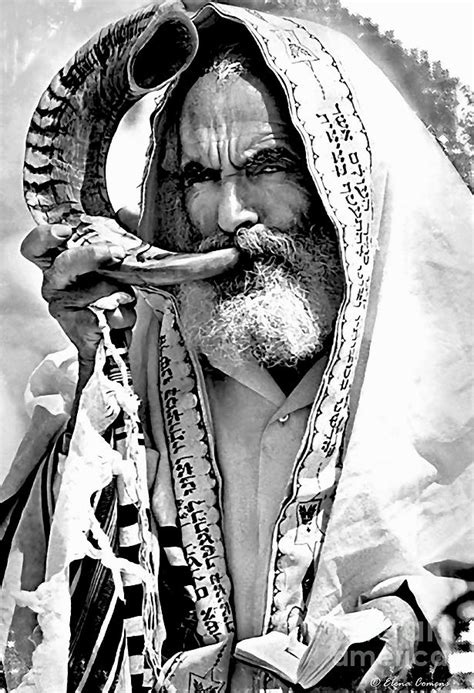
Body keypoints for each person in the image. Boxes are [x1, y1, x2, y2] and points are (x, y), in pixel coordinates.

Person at [1, 2, 472, 692]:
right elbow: (39, 614)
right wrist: (100, 382)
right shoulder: (132, 370)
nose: (230, 215)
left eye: (267, 165)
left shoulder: (458, 372)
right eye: (197, 177)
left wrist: (419, 632)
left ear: (342, 180)